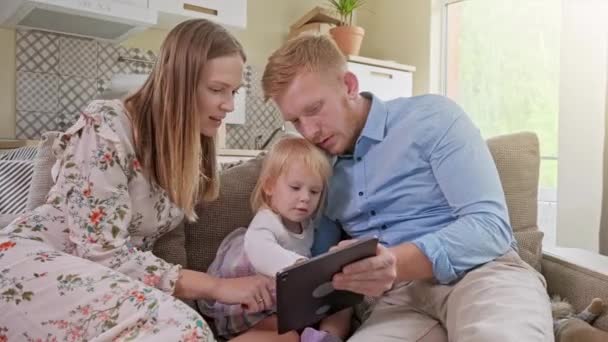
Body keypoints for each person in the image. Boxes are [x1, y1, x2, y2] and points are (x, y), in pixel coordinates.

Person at [261, 34, 554, 341]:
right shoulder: (314, 169)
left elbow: (490, 228)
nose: (308, 131)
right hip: (395, 303)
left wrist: (395, 263)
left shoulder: (433, 117)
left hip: (482, 273)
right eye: (295, 121)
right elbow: (318, 263)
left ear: (349, 85)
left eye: (314, 109)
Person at [0, 19, 274, 341]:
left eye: (233, 91)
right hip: (31, 266)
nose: (228, 105)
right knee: (185, 330)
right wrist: (217, 286)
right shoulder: (107, 125)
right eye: (217, 89)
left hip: (103, 285)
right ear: (179, 83)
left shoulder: (181, 152)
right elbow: (101, 252)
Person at [200, 135, 351, 342]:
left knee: (343, 304)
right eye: (295, 188)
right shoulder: (267, 220)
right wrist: (300, 267)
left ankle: (326, 338)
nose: (305, 198)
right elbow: (261, 251)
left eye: (314, 191)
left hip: (281, 301)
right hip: (247, 305)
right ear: (269, 187)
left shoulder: (306, 224)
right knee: (287, 337)